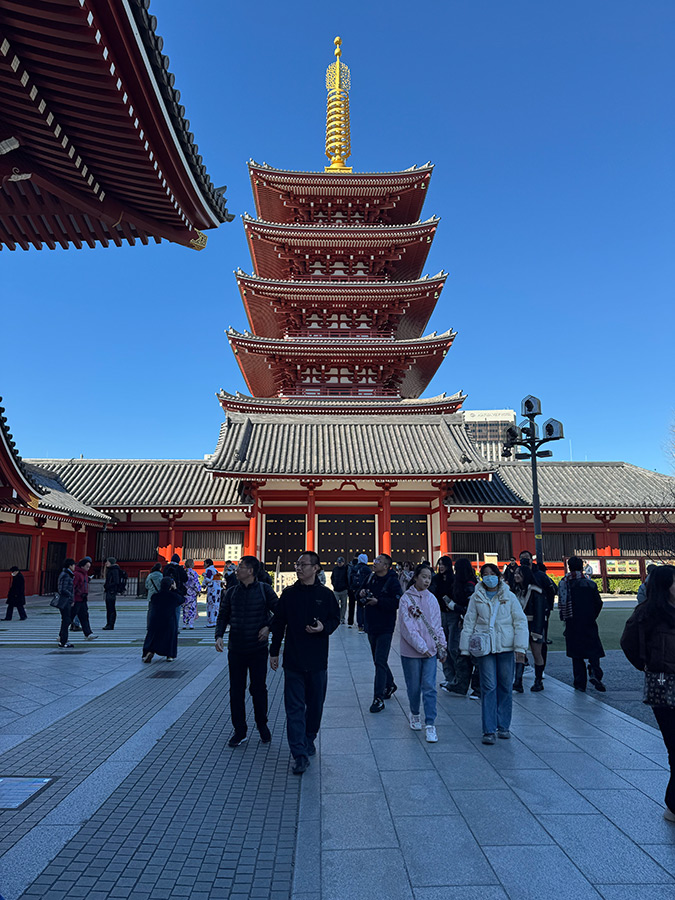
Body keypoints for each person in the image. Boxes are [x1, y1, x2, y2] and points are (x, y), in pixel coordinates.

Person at [270, 551, 340, 775]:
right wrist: (274, 652)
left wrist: (324, 628)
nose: (299, 568)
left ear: (316, 568)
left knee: (315, 705)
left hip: (318, 660)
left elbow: (335, 619)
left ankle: (309, 737)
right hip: (294, 659)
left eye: (303, 564)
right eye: (297, 564)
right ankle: (298, 753)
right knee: (294, 708)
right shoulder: (289, 595)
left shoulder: (326, 595)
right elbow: (279, 623)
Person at [621, 565, 675, 823]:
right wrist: (647, 665)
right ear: (665, 586)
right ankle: (673, 805)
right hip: (664, 687)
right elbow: (628, 643)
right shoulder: (647, 613)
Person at [460, 563, 528, 744]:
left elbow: (520, 622)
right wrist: (465, 648)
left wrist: (520, 648)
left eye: (492, 573)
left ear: (498, 576)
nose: (489, 577)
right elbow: (469, 622)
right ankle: (489, 729)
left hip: (506, 646)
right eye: (485, 574)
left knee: (505, 685)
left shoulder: (509, 596)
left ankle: (503, 725)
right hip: (485, 647)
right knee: (489, 687)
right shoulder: (476, 597)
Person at [215, 555, 278, 747]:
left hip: (258, 649)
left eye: (240, 567)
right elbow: (223, 615)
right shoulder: (232, 592)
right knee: (236, 690)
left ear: (250, 571)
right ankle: (239, 730)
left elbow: (280, 612)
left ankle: (262, 725)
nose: (237, 570)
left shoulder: (264, 590)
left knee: (258, 689)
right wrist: (218, 635)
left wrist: (268, 627)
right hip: (236, 648)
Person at [399, 563, 447, 742]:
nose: (427, 580)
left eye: (429, 577)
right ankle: (414, 712)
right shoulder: (406, 599)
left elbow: (436, 624)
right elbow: (407, 627)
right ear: (416, 577)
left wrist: (441, 645)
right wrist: (422, 647)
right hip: (412, 651)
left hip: (431, 651)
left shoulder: (432, 599)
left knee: (429, 687)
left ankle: (430, 724)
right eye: (424, 577)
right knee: (414, 687)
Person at [360, 553, 403, 713]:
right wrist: (362, 594)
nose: (375, 562)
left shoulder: (393, 581)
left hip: (385, 626)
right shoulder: (370, 578)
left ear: (386, 566)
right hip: (371, 625)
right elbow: (359, 593)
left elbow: (397, 602)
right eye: (375, 560)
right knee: (378, 660)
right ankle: (390, 684)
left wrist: (379, 602)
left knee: (379, 660)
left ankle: (378, 698)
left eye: (379, 561)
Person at [558, 556, 606, 692]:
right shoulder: (590, 584)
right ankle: (595, 672)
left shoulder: (564, 583)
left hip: (572, 622)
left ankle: (580, 683)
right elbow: (598, 603)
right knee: (593, 650)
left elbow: (562, 604)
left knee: (576, 654)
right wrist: (592, 615)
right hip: (589, 621)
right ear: (582, 567)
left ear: (569, 567)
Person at [442, 557, 478, 696]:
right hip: (464, 621)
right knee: (463, 653)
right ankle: (460, 684)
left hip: (470, 623)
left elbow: (470, 607)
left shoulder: (469, 585)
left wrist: (453, 606)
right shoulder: (466, 582)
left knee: (469, 655)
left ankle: (471, 686)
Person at [512, 566, 547, 692]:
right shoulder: (515, 590)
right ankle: (518, 682)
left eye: (519, 574)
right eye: (515, 573)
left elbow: (540, 612)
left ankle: (538, 681)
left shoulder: (536, 590)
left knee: (537, 654)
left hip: (533, 625)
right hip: (519, 625)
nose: (516, 575)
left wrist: (537, 631)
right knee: (519, 653)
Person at [142, 575, 184, 663]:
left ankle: (149, 651)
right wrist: (175, 589)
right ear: (171, 585)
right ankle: (169, 655)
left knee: (152, 636)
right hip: (168, 619)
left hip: (155, 620)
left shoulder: (155, 596)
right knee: (170, 636)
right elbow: (182, 599)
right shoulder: (173, 596)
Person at [430, 555, 456, 690]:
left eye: (443, 565)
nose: (441, 567)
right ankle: (448, 677)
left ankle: (458, 676)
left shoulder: (454, 580)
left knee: (452, 646)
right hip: (440, 614)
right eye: (439, 564)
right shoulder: (435, 579)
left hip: (452, 614)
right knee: (442, 647)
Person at [72, 558, 97, 641]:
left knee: (84, 616)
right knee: (70, 617)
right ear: (82, 566)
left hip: (83, 598)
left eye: (89, 567)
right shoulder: (77, 574)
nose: (88, 568)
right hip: (77, 598)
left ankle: (88, 633)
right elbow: (73, 587)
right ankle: (61, 635)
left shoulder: (84, 574)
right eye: (87, 567)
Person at [164, 554, 188, 630]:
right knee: (177, 611)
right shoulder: (180, 568)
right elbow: (185, 579)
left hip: (167, 591)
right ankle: (175, 627)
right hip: (177, 591)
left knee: (168, 610)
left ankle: (167, 626)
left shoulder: (166, 567)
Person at [56, 559, 76, 648]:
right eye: (73, 565)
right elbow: (63, 589)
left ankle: (62, 639)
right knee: (66, 620)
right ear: (70, 566)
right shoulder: (66, 575)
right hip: (65, 601)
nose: (74, 567)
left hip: (66, 600)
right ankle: (63, 641)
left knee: (66, 620)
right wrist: (71, 596)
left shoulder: (65, 574)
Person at [349, 553, 371, 633]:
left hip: (355, 589)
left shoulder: (354, 568)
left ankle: (360, 625)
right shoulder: (367, 569)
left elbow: (350, 578)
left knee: (359, 607)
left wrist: (351, 588)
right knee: (366, 608)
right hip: (364, 590)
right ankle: (365, 624)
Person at [102, 557, 122, 630]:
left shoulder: (114, 570)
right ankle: (109, 623)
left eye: (107, 562)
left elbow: (116, 581)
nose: (106, 563)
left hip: (111, 590)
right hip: (110, 590)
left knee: (111, 608)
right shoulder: (111, 570)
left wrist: (108, 586)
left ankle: (110, 624)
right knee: (109, 607)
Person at [202, 558, 222, 627]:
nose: (203, 565)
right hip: (217, 589)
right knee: (216, 605)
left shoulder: (208, 570)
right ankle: (215, 620)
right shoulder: (215, 570)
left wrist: (204, 576)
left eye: (204, 563)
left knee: (210, 605)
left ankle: (211, 621)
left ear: (207, 564)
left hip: (212, 590)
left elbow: (208, 579)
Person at [331, 556, 349, 624]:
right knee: (335, 604)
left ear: (343, 562)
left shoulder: (346, 569)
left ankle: (342, 618)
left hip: (344, 590)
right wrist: (334, 584)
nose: (339, 563)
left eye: (340, 562)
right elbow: (332, 578)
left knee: (343, 605)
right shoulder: (335, 569)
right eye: (338, 562)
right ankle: (336, 617)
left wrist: (346, 586)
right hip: (336, 590)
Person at [183, 559, 200, 629]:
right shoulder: (193, 573)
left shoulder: (183, 572)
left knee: (185, 608)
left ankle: (184, 623)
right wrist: (198, 590)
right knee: (192, 608)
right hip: (192, 593)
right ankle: (190, 624)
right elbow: (195, 583)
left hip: (185, 592)